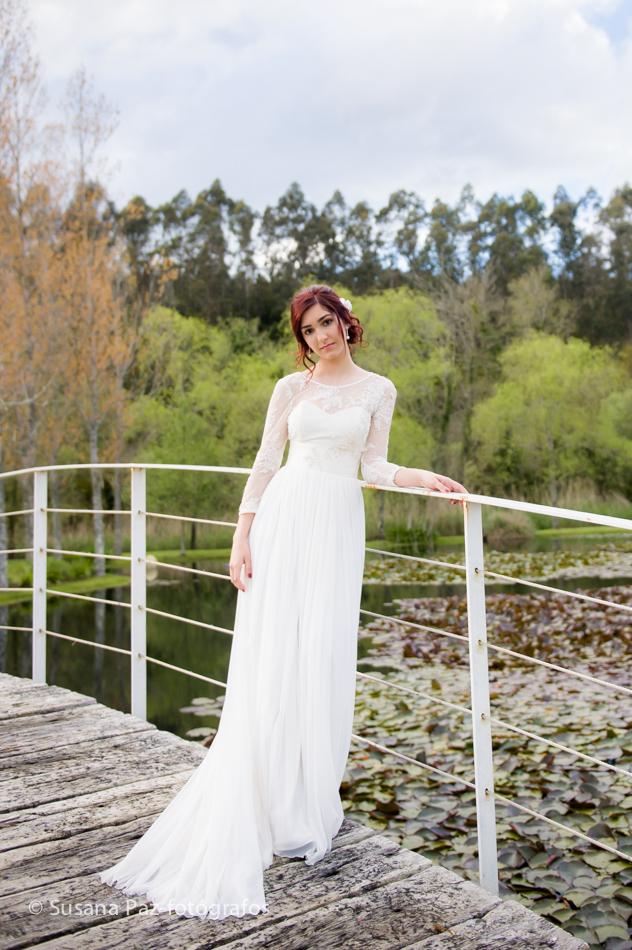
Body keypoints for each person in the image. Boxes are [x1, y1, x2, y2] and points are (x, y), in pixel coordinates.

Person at [98, 284, 467, 921]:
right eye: (309, 331)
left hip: (336, 527)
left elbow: (372, 467)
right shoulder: (288, 391)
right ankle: (260, 799)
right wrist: (241, 537)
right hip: (285, 517)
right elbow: (267, 461)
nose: (321, 337)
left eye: (328, 323)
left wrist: (421, 477)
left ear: (348, 323)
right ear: (302, 340)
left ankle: (303, 807)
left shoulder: (380, 390)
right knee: (271, 658)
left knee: (320, 655)